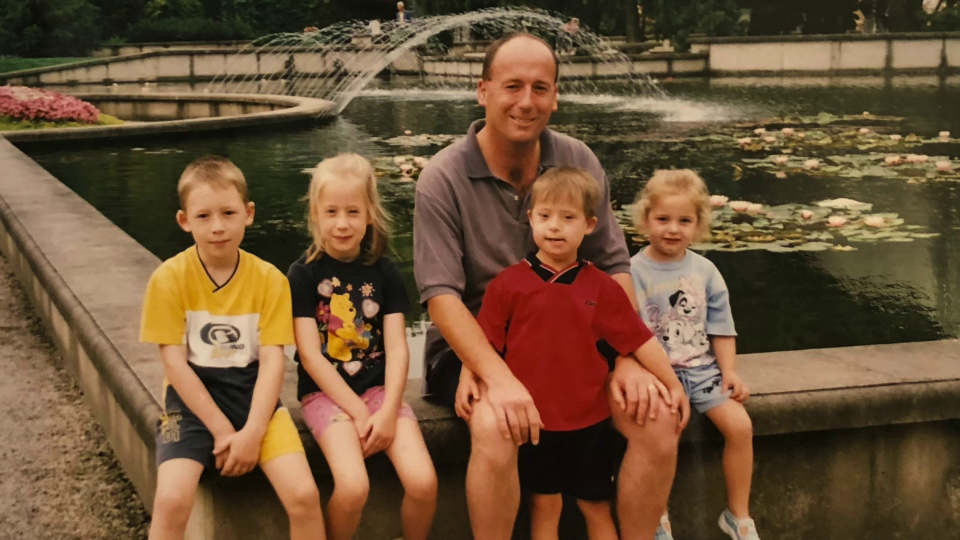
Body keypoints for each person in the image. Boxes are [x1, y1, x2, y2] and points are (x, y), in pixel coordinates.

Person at [413, 32, 682, 540]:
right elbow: (441, 298)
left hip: (577, 340)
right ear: (483, 91)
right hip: (477, 343)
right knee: (495, 425)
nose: (526, 101)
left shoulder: (579, 162)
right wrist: (493, 373)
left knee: (656, 417)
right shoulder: (443, 177)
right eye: (512, 86)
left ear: (555, 96)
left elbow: (614, 267)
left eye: (541, 88)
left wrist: (626, 359)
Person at [471, 167, 690, 540]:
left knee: (595, 506)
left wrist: (672, 385)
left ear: (589, 225)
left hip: (589, 421)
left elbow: (639, 340)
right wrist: (470, 379)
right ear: (531, 219)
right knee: (545, 507)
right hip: (535, 423)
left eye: (567, 218)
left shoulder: (602, 288)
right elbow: (484, 342)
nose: (554, 227)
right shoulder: (507, 286)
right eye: (545, 217)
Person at [140, 156, 325, 540]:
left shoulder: (270, 280)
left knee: (305, 495)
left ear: (249, 213)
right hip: (189, 404)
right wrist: (224, 432)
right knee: (172, 499)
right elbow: (173, 362)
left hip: (253, 396)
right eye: (204, 216)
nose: (218, 227)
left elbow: (274, 360)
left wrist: (254, 431)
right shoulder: (168, 279)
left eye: (228, 212)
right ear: (184, 220)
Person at [288, 153, 437, 540]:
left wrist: (388, 410)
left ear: (369, 214)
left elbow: (398, 349)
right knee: (354, 487)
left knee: (423, 483)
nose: (341, 223)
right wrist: (356, 411)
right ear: (316, 215)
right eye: (331, 211)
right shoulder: (302, 274)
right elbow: (309, 356)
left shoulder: (384, 271)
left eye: (352, 211)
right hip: (324, 396)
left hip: (380, 393)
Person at [630, 170, 759, 540]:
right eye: (663, 219)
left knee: (740, 427)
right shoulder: (632, 272)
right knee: (660, 439)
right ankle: (656, 516)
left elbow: (721, 328)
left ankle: (738, 516)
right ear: (646, 219)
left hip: (702, 371)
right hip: (655, 374)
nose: (673, 229)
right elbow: (629, 334)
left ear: (698, 224)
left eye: (684, 221)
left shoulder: (706, 271)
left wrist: (729, 372)